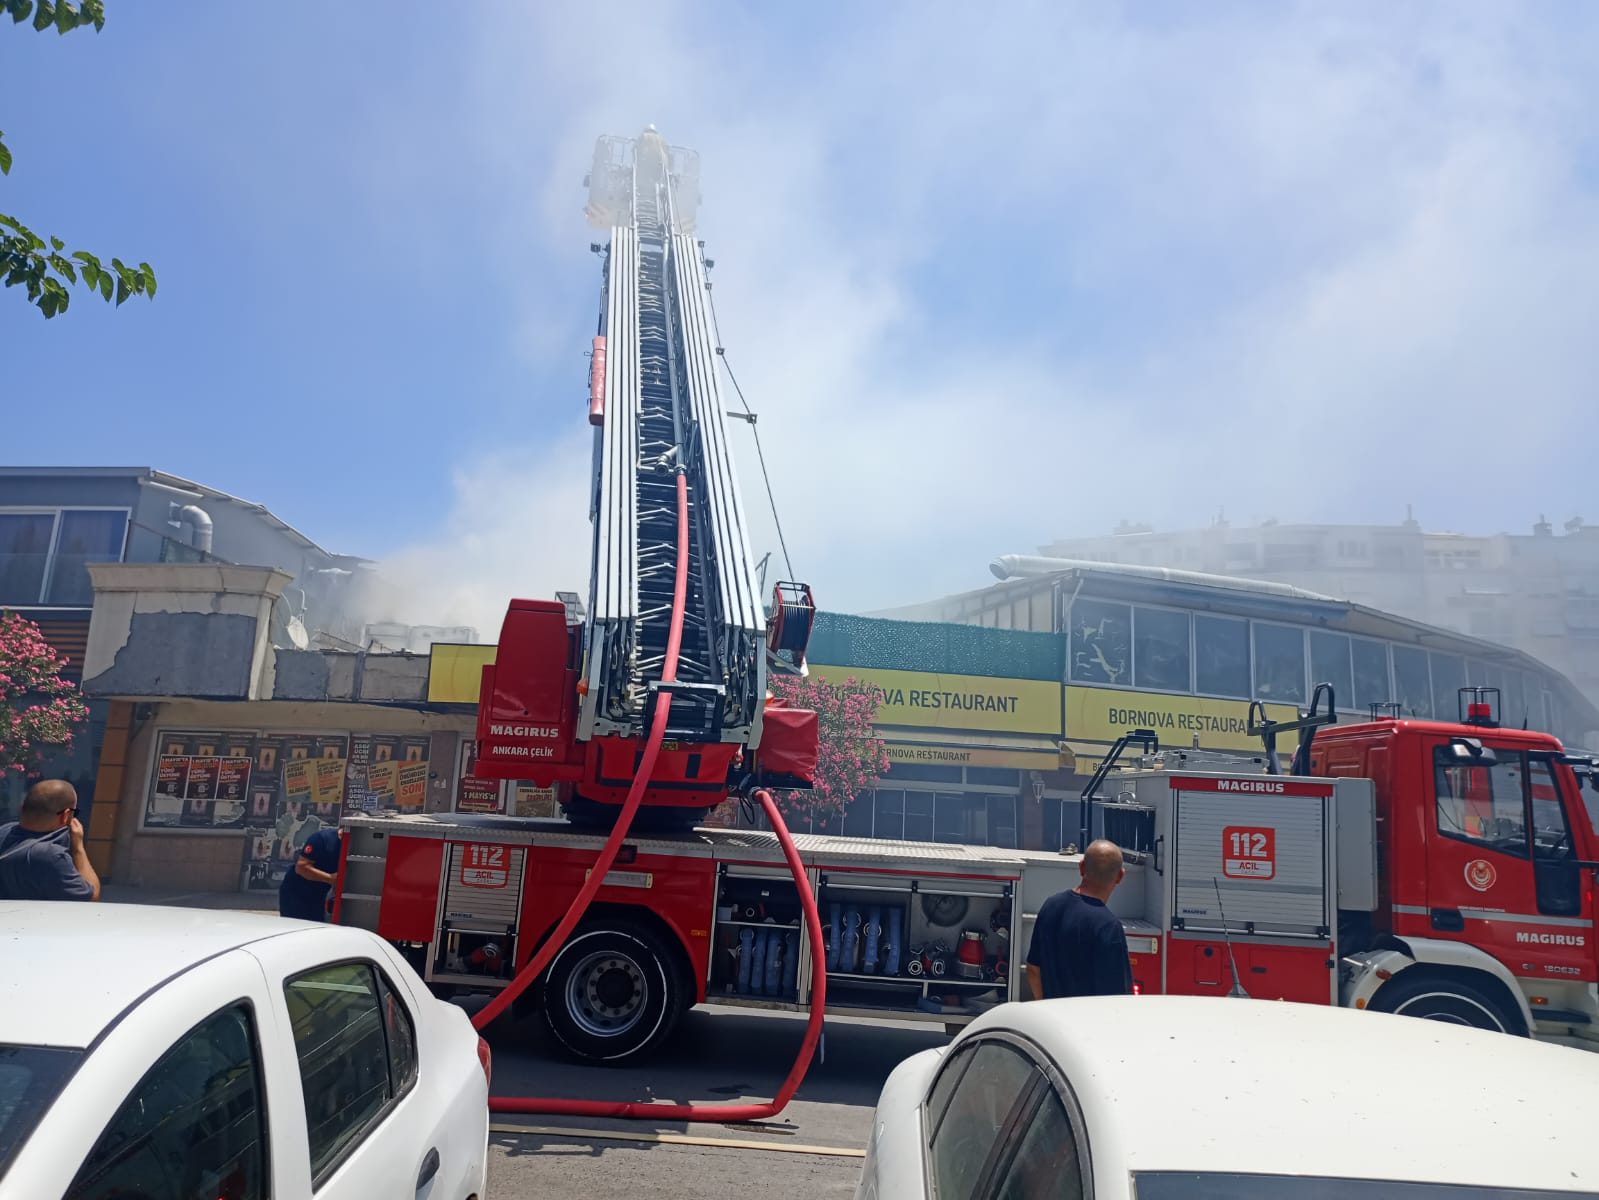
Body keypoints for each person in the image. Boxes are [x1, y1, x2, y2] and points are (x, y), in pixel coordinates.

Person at [1024, 838, 1131, 1000]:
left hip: (1050, 1020)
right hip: (1083, 1023)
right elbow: (1115, 996)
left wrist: (1044, 1005)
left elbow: (1033, 969)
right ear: (1120, 876)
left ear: (1081, 867)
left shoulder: (1051, 905)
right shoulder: (1109, 926)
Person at [0, 779, 101, 901]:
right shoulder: (50, 855)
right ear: (65, 815)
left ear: (22, 807)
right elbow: (91, 896)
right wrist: (78, 847)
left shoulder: (4, 830)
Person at [277, 825, 343, 922]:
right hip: (297, 893)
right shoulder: (322, 839)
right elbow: (301, 867)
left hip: (320, 895)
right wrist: (331, 879)